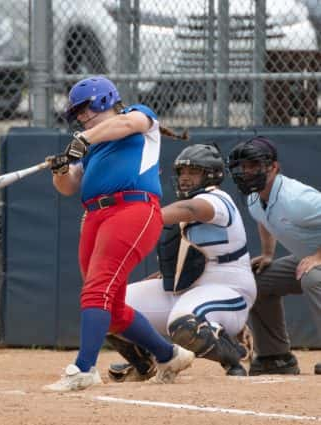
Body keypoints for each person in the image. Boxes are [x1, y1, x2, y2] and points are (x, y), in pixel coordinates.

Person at [42, 75, 195, 392]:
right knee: (111, 309)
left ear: (102, 100)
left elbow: (127, 125)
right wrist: (60, 169)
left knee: (97, 289)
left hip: (132, 210)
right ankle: (169, 355)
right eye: (77, 113)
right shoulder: (91, 146)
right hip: (96, 217)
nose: (81, 117)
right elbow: (69, 186)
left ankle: (84, 369)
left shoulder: (139, 116)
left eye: (84, 109)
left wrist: (84, 139)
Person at [105, 144, 256, 381]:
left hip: (228, 289)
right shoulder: (183, 205)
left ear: (212, 175)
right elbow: (192, 252)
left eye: (193, 172)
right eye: (182, 172)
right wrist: (165, 273)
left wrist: (136, 216)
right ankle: (148, 363)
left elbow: (191, 209)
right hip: (185, 289)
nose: (185, 178)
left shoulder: (216, 199)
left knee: (184, 325)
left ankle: (234, 356)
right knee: (106, 305)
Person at [227, 136, 321, 375]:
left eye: (254, 165)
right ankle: (275, 357)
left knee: (314, 278)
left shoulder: (297, 199)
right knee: (256, 281)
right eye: (244, 166)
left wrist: (318, 256)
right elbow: (264, 220)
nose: (247, 172)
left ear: (274, 167)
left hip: (316, 258)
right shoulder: (254, 197)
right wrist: (268, 253)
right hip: (306, 257)